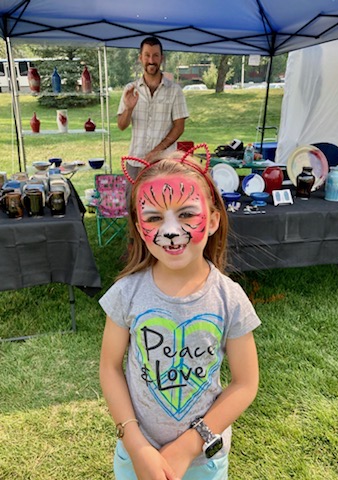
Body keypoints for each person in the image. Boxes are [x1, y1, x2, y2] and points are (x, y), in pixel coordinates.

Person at [99, 144, 261, 480]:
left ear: (214, 219)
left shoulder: (229, 298)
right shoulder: (126, 294)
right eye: (154, 218)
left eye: (186, 214)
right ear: (138, 225)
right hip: (135, 459)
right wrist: (135, 444)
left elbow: (245, 383)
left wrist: (189, 446)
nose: (170, 231)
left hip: (204, 461)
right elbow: (110, 366)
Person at [117, 36, 189, 183]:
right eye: (147, 55)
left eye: (155, 55)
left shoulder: (174, 91)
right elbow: (121, 125)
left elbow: (179, 127)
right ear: (140, 58)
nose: (151, 60)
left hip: (163, 164)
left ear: (161, 58)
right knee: (133, 205)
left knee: (162, 205)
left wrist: (156, 152)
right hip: (135, 162)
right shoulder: (130, 90)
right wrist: (129, 109)